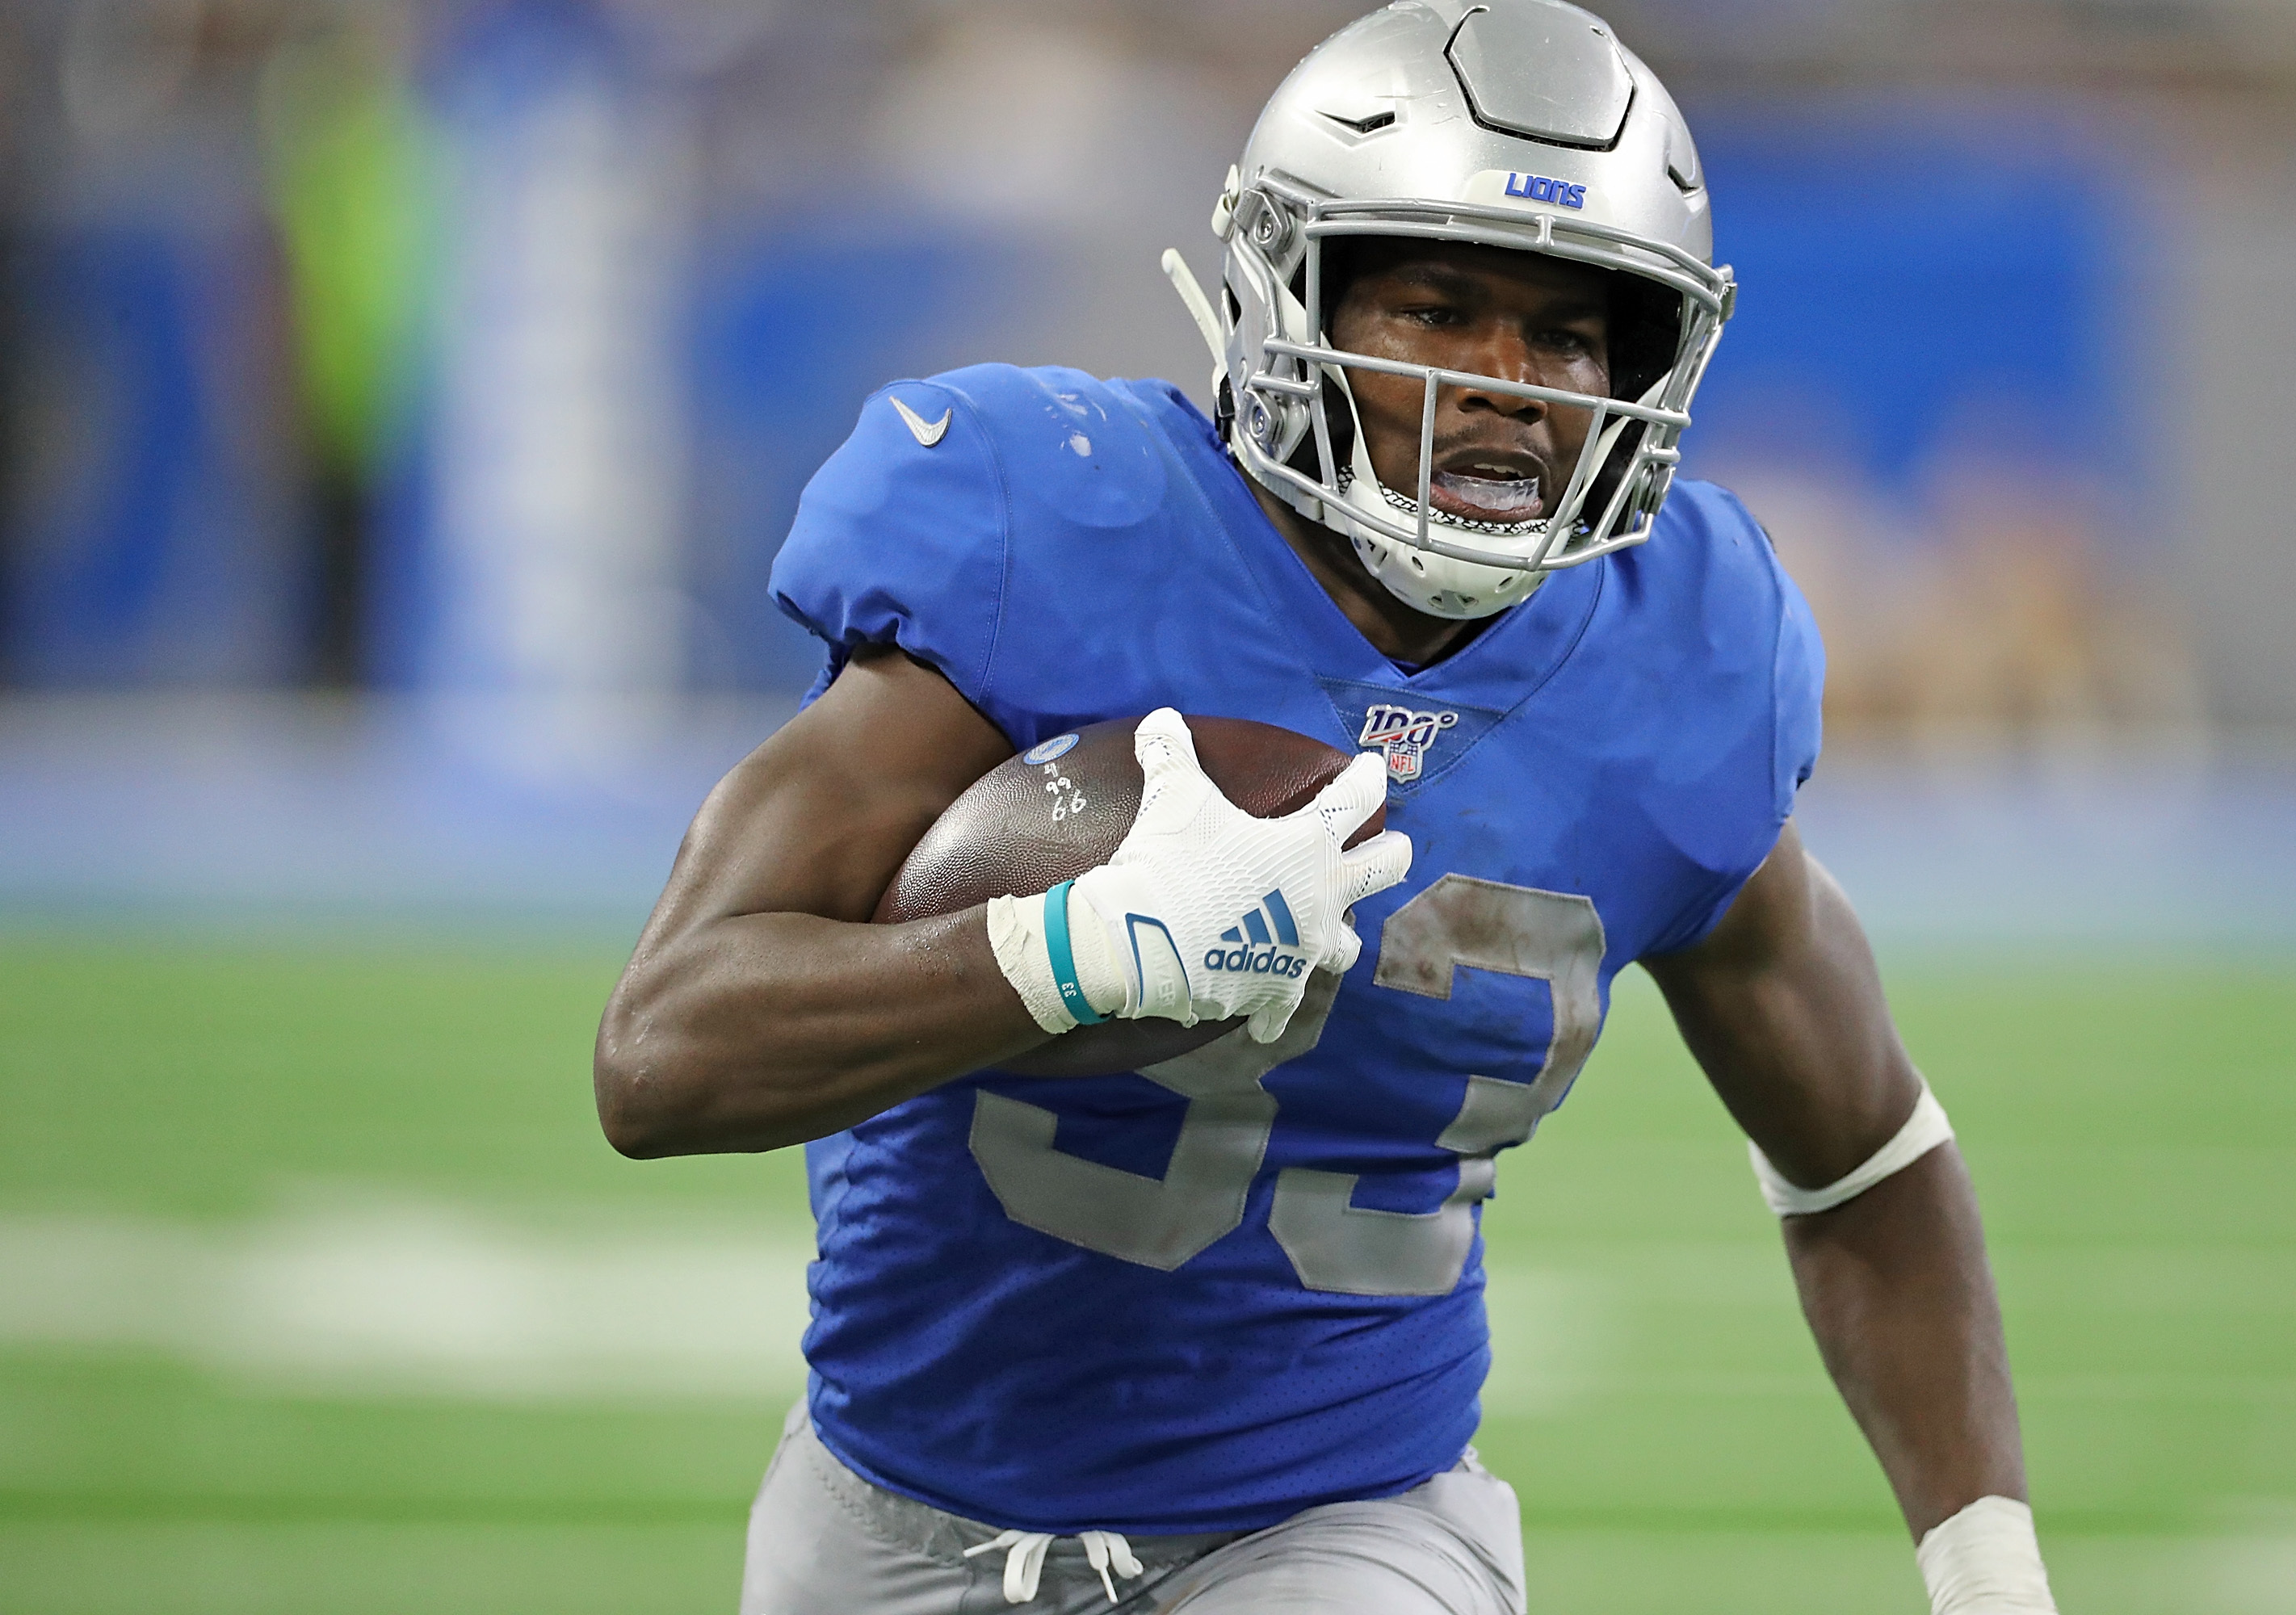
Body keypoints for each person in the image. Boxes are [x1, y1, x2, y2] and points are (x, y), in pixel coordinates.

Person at [594, 3, 2059, 1611]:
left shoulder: (1678, 654)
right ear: (1292, 295)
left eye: (1571, 337)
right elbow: (663, 1051)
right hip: (896, 1507)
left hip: (1343, 1521)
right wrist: (1067, 952)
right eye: (1439, 306)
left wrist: (1988, 1562)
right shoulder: (1044, 526)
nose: (1510, 383)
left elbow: (1864, 1152)